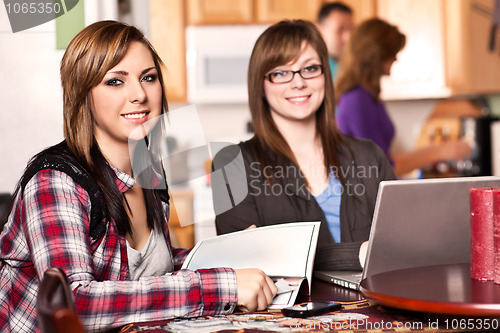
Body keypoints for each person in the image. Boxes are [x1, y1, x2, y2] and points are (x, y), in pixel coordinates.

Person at [0, 20, 276, 332]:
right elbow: (76, 304)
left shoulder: (148, 170)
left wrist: (229, 257)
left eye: (148, 77)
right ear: (83, 94)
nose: (139, 94)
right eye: (115, 82)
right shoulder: (56, 181)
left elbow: (148, 269)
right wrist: (219, 285)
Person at [212, 20, 395, 272]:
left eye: (310, 68)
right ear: (261, 85)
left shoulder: (369, 155)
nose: (298, 82)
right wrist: (359, 254)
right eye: (280, 73)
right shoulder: (230, 166)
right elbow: (246, 265)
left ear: (325, 76)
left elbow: (399, 244)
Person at [335, 18, 472, 177]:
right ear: (376, 55)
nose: (396, 59)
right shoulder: (356, 100)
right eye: (392, 53)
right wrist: (438, 153)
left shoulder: (369, 97)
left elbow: (384, 159)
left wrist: (434, 151)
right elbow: (381, 169)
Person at [316, 2, 354, 80]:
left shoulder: (354, 65)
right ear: (319, 30)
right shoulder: (313, 70)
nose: (348, 37)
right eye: (340, 29)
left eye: (352, 29)